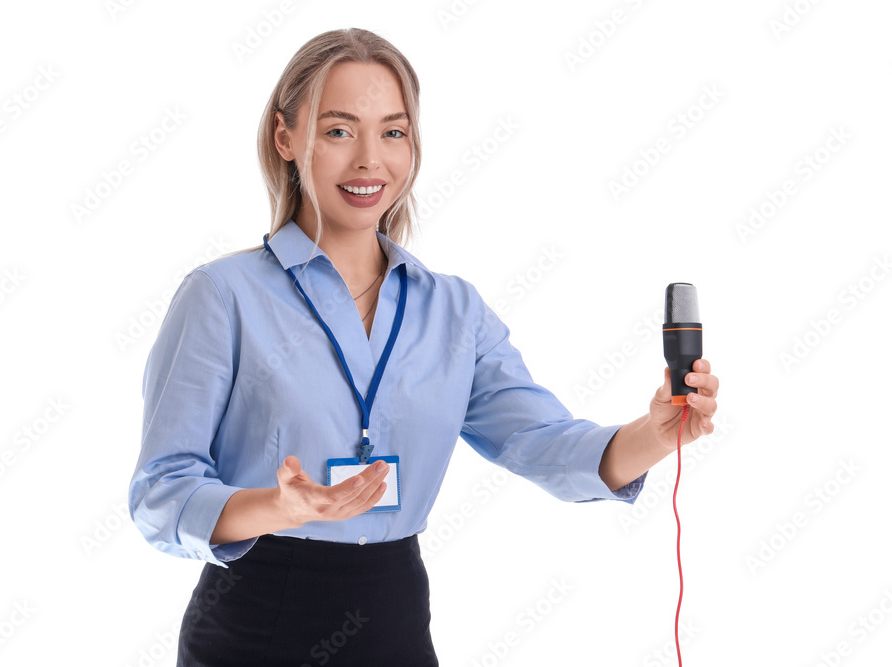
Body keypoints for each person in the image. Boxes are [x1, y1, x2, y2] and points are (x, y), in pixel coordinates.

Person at [128, 27, 720, 667]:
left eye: (393, 131)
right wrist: (277, 506)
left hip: (394, 618)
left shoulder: (453, 310)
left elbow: (543, 442)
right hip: (255, 620)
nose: (368, 160)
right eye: (337, 130)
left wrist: (658, 433)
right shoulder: (221, 296)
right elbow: (160, 493)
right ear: (285, 138)